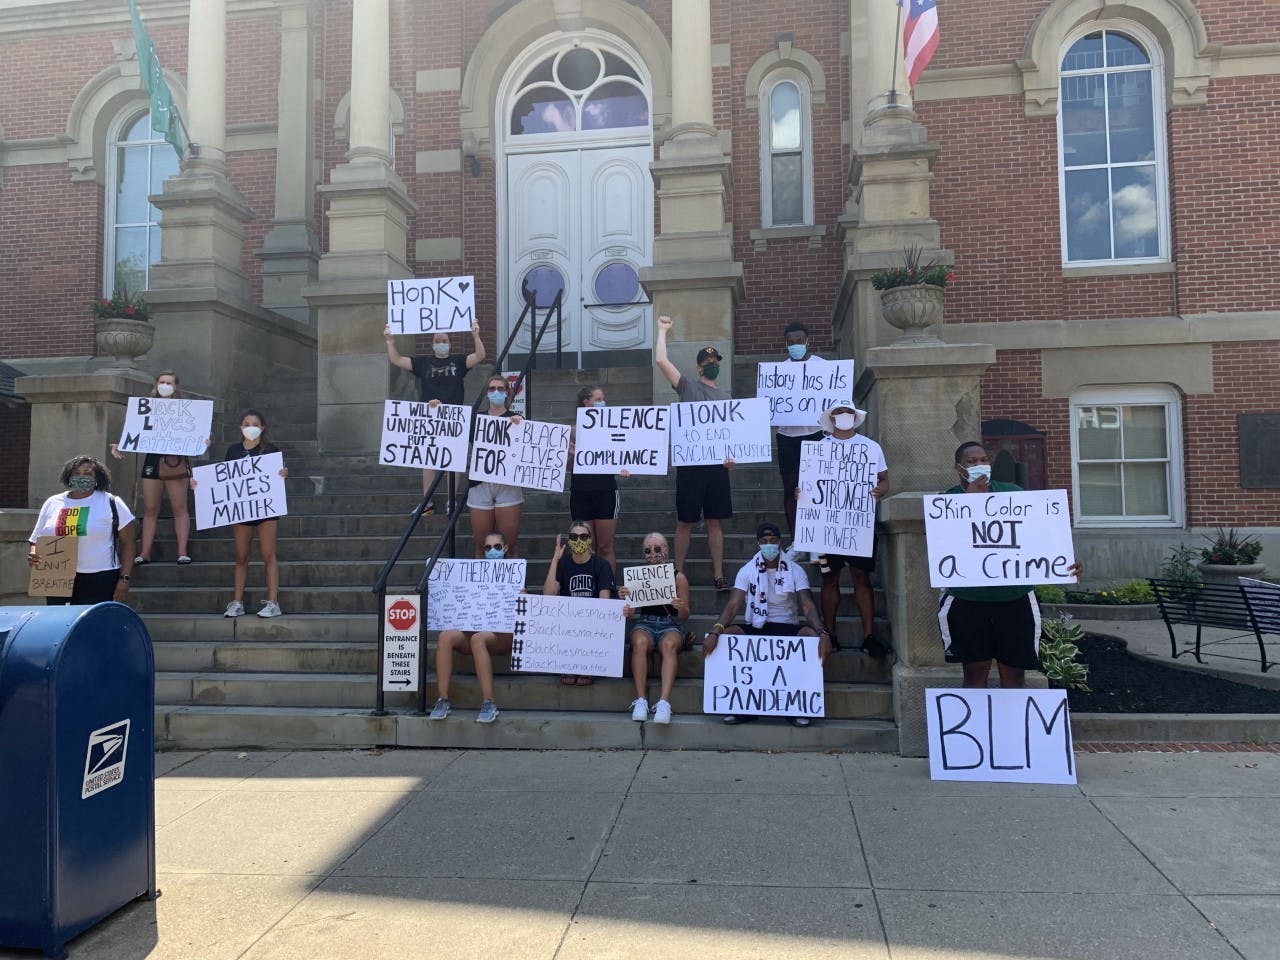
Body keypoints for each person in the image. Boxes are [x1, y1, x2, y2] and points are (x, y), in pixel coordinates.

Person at [937, 441, 1082, 688]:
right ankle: (977, 726)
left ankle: (1011, 725)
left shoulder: (1013, 493)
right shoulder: (947, 501)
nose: (979, 465)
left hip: (1015, 597)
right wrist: (971, 499)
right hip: (968, 599)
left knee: (1014, 675)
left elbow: (1039, 534)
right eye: (972, 462)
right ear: (958, 468)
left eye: (984, 460)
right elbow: (944, 545)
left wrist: (1063, 559)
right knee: (974, 673)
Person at [703, 522, 832, 726]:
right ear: (758, 543)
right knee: (729, 634)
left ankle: (798, 707)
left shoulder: (795, 570)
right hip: (757, 625)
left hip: (786, 627)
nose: (769, 545)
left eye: (773, 541)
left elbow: (807, 605)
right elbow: (734, 604)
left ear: (780, 542)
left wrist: (822, 632)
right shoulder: (747, 570)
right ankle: (740, 707)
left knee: (810, 636)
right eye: (764, 542)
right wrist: (716, 630)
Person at [653, 314, 735, 590]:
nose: (712, 365)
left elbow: (733, 436)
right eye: (707, 362)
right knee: (685, 521)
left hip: (716, 467)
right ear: (699, 366)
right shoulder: (688, 386)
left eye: (715, 362)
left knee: (715, 522)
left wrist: (732, 457)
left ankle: (718, 574)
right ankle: (678, 571)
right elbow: (662, 362)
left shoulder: (726, 398)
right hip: (690, 466)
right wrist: (663, 331)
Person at [804, 401, 890, 658]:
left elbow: (885, 480)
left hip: (857, 525)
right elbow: (807, 485)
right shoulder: (818, 449)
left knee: (860, 577)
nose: (844, 416)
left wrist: (879, 491)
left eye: (848, 412)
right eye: (839, 412)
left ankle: (869, 635)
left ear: (855, 416)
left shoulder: (870, 448)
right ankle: (829, 634)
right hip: (826, 527)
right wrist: (801, 492)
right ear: (831, 418)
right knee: (829, 577)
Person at [384, 320, 486, 509]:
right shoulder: (423, 363)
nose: (440, 342)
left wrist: (475, 335)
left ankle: (452, 501)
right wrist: (390, 342)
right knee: (428, 461)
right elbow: (396, 360)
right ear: (432, 344)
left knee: (453, 461)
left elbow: (480, 355)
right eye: (437, 340)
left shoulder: (458, 361)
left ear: (449, 343)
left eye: (444, 339)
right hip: (430, 418)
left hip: (454, 418)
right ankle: (427, 502)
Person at [198, 410, 289, 618]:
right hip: (241, 509)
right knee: (241, 556)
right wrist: (200, 484)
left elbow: (278, 473)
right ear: (240, 427)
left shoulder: (271, 450)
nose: (251, 427)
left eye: (255, 423)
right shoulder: (233, 450)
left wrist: (284, 473)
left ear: (262, 428)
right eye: (247, 423)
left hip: (265, 507)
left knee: (268, 554)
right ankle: (237, 602)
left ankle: (273, 602)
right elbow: (222, 480)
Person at [110, 370, 200, 565]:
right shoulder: (145, 407)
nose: (165, 385)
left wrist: (203, 441)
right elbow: (135, 431)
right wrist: (121, 445)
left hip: (176, 461)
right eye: (162, 382)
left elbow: (196, 434)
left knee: (180, 507)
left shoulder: (185, 409)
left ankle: (182, 552)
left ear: (176, 386)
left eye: (169, 382)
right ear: (156, 383)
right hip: (152, 460)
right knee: (150, 508)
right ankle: (144, 553)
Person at [428, 530, 514, 724]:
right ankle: (442, 699)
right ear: (483, 550)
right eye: (488, 547)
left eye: (497, 547)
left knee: (478, 638)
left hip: (501, 635)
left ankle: (489, 702)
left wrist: (521, 594)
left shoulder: (514, 573)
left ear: (505, 548)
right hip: (475, 629)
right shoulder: (471, 573)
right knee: (445, 636)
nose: (493, 551)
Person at [28, 455, 137, 605]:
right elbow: (36, 539)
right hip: (57, 577)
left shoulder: (112, 502)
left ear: (97, 478)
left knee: (94, 626)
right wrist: (34, 553)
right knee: (62, 625)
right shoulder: (52, 503)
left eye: (87, 474)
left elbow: (129, 542)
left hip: (100, 578)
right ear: (68, 476)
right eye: (76, 473)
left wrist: (124, 579)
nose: (81, 477)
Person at [617, 532, 690, 724]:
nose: (653, 554)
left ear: (666, 550)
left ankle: (664, 702)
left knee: (668, 645)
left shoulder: (678, 578)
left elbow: (685, 616)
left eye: (657, 549)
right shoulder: (637, 577)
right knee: (639, 642)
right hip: (645, 623)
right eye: (648, 550)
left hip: (670, 623)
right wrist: (624, 598)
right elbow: (630, 613)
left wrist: (680, 607)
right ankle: (641, 700)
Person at [543, 520, 616, 686]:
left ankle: (587, 664)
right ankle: (570, 663)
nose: (578, 541)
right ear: (569, 540)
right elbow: (548, 594)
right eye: (574, 537)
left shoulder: (601, 565)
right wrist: (555, 559)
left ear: (590, 539)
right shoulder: (563, 564)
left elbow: (604, 601)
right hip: (568, 621)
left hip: (591, 620)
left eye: (583, 536)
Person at [774, 323, 825, 544]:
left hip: (816, 432)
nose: (796, 345)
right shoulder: (778, 372)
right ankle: (796, 539)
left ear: (807, 341)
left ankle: (817, 536)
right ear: (786, 343)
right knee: (790, 488)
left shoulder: (824, 367)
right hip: (787, 436)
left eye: (799, 341)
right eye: (791, 342)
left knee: (817, 487)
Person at [468, 374, 524, 558]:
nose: (496, 392)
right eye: (492, 389)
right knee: (480, 544)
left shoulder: (517, 419)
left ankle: (515, 587)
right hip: (480, 484)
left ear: (507, 392)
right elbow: (450, 433)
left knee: (510, 545)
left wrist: (520, 426)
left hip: (507, 484)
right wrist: (435, 409)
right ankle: (480, 587)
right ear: (486, 393)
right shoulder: (475, 419)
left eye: (500, 389)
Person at [568, 385, 619, 572]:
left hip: (605, 489)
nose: (602, 403)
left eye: (602, 399)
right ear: (586, 403)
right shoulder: (573, 431)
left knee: (606, 546)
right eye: (598, 400)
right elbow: (568, 467)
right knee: (586, 546)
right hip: (581, 491)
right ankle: (590, 592)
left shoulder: (614, 427)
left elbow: (624, 455)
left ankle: (608, 588)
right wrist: (571, 454)